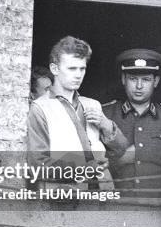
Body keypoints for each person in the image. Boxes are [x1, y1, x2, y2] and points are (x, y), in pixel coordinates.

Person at [27, 36, 127, 186]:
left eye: (82, 68)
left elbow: (120, 151)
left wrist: (106, 125)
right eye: (72, 68)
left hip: (103, 194)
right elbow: (37, 164)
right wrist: (81, 168)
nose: (78, 75)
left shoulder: (93, 104)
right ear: (54, 69)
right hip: (66, 199)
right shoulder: (40, 109)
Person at [102, 49, 161, 196]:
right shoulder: (105, 115)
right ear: (123, 79)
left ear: (155, 81)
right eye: (133, 79)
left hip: (156, 208)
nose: (139, 86)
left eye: (146, 79)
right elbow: (94, 167)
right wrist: (121, 160)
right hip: (115, 207)